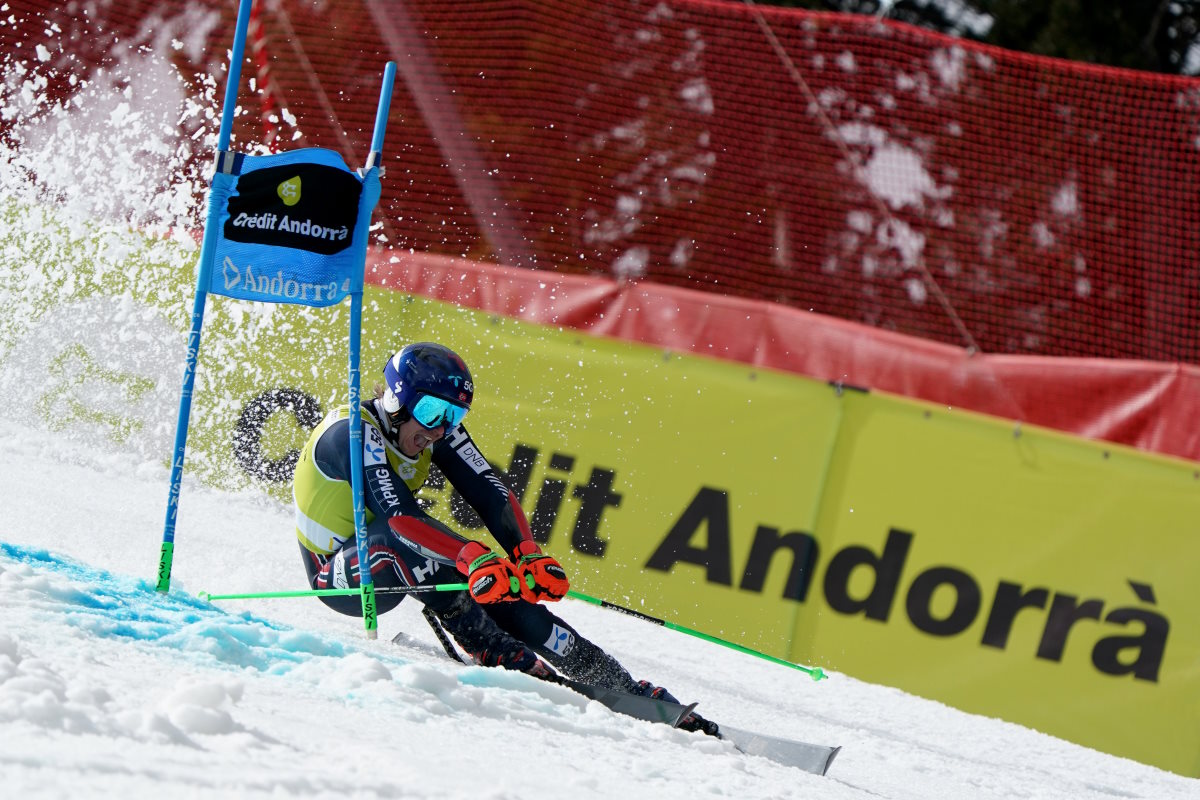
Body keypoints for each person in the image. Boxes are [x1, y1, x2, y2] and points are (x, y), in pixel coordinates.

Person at [292, 341, 717, 734]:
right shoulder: (352, 432)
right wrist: (471, 556)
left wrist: (525, 553)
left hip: (398, 558)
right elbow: (401, 517)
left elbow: (488, 488)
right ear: (397, 398)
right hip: (342, 577)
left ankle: (614, 680)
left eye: (454, 417)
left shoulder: (429, 429)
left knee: (503, 584)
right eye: (435, 414)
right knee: (419, 543)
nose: (441, 431)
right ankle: (484, 641)